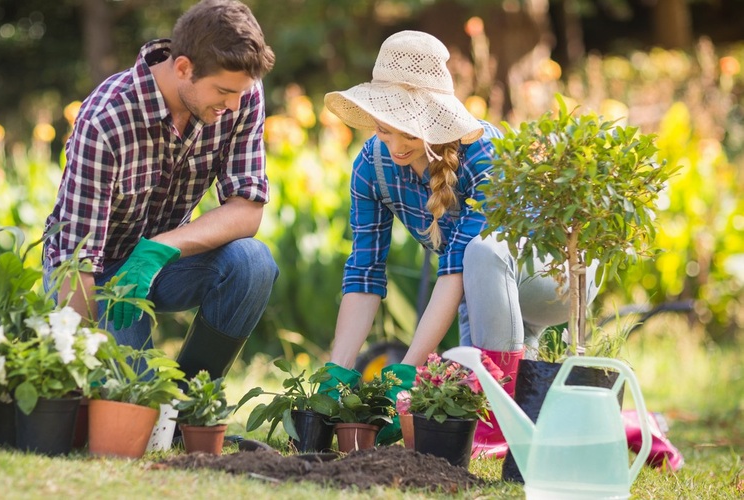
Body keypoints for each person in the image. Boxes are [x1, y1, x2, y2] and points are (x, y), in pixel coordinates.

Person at [320, 30, 600, 449]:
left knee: (481, 253)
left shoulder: (481, 153)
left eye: (409, 134)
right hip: (485, 292)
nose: (395, 146)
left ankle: (496, 424)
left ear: (433, 121)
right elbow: (364, 273)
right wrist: (336, 374)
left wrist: (407, 371)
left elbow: (456, 270)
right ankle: (555, 430)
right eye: (384, 129)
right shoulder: (371, 168)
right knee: (504, 397)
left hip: (554, 276)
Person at [42, 0, 278, 383]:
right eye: (223, 91)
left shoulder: (241, 94)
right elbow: (76, 262)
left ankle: (190, 404)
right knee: (135, 404)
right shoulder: (106, 121)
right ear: (183, 68)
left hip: (164, 262)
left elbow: (247, 209)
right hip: (95, 274)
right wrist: (77, 362)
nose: (234, 104)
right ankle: (151, 405)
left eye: (240, 92)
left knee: (253, 263)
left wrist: (159, 248)